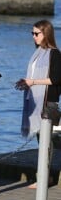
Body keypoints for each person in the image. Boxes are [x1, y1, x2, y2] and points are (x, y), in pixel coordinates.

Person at [15, 19, 61, 188]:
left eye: (36, 33)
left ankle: (44, 178)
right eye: (32, 33)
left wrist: (33, 82)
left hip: (48, 101)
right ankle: (43, 176)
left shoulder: (54, 53)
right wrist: (26, 83)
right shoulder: (37, 54)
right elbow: (35, 78)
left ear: (46, 33)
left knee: (45, 142)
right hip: (36, 101)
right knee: (41, 140)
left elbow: (56, 79)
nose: (33, 36)